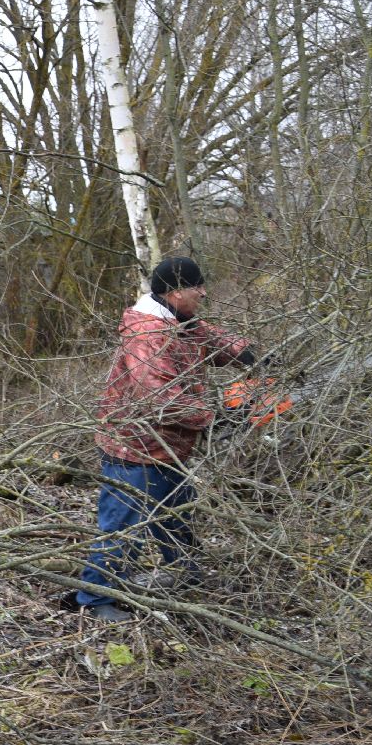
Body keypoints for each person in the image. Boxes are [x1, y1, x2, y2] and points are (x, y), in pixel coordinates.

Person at [75, 256, 255, 622]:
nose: (203, 293)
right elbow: (160, 399)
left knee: (176, 514)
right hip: (135, 445)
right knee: (124, 525)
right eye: (196, 287)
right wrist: (216, 414)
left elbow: (212, 339)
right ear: (174, 293)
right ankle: (95, 600)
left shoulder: (181, 322)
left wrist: (249, 355)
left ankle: (185, 576)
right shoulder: (149, 335)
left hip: (170, 445)